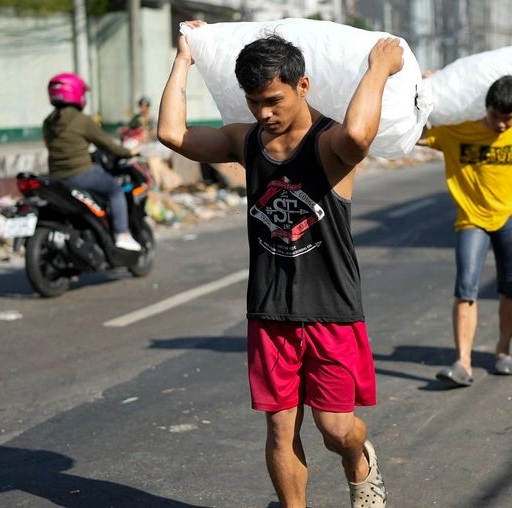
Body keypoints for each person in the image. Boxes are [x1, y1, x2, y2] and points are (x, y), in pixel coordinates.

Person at [157, 20, 402, 508]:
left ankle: (359, 462)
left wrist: (379, 67)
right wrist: (184, 59)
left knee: (335, 429)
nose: (264, 113)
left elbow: (359, 134)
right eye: (254, 103)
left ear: (303, 86)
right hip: (269, 309)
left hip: (331, 308)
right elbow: (171, 133)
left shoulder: (329, 145)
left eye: (274, 101)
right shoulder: (246, 142)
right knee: (278, 426)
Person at [420, 74, 512, 387]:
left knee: (511, 287)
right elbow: (416, 135)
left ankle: (503, 350)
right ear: (485, 107)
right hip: (471, 218)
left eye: (509, 119)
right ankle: (463, 361)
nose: (502, 125)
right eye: (496, 117)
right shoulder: (459, 131)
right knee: (466, 287)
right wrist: (423, 91)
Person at [43, 73, 142, 251]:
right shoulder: (82, 120)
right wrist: (129, 152)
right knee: (115, 190)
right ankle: (122, 234)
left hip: (56, 177)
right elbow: (107, 144)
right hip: (80, 174)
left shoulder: (48, 122)